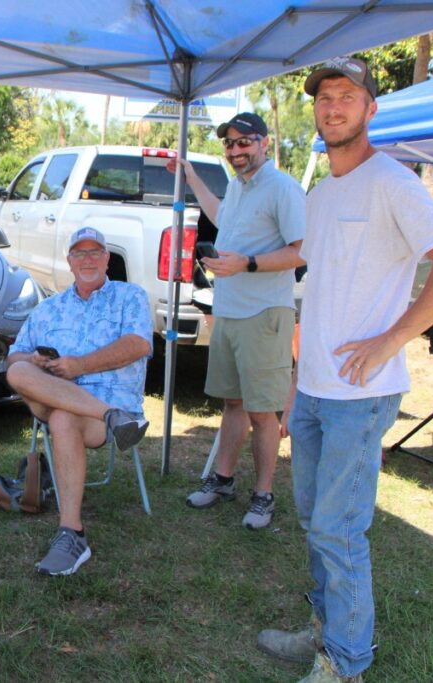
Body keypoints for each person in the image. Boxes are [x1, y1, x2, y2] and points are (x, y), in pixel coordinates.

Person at [256, 57, 433, 683]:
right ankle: (326, 633)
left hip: (360, 394)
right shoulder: (322, 192)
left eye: (347, 96)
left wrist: (393, 339)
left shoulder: (391, 181)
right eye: (324, 97)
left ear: (370, 108)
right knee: (314, 520)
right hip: (314, 391)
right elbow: (326, 290)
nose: (333, 107)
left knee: (339, 528)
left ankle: (348, 663)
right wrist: (296, 383)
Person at [169, 112, 306, 529]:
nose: (235, 151)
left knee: (264, 411)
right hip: (228, 311)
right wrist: (191, 177)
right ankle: (223, 479)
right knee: (233, 402)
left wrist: (246, 263)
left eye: (244, 142)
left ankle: (263, 495)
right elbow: (219, 213)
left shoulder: (283, 188)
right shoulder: (237, 185)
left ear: (263, 143)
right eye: (229, 144)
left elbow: (302, 251)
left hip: (264, 314)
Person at [6, 226, 153, 577]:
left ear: (107, 259)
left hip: (89, 412)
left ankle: (72, 533)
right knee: (18, 373)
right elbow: (14, 358)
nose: (87, 259)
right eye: (79, 253)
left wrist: (79, 366)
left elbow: (139, 345)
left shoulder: (130, 297)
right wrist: (37, 362)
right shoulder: (48, 309)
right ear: (69, 262)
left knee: (61, 418)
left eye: (95, 252)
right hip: (84, 406)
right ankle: (114, 417)